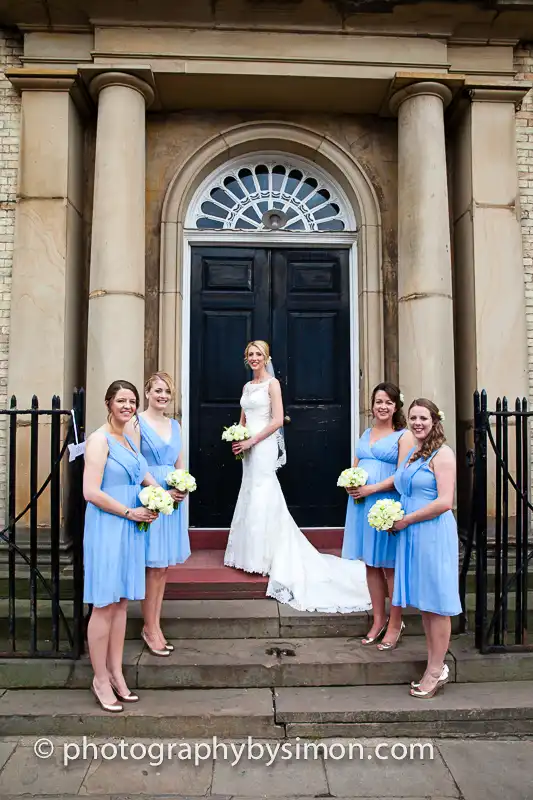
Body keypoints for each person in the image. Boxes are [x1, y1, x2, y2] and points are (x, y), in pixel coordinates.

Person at [224, 340, 371, 613]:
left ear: (266, 357)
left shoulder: (272, 384)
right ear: (246, 358)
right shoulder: (246, 387)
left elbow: (278, 420)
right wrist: (237, 435)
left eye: (259, 354)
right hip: (248, 446)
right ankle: (250, 553)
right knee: (249, 491)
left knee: (263, 491)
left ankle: (266, 556)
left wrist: (252, 440)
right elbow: (242, 419)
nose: (254, 358)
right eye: (250, 355)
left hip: (263, 445)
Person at [83, 380, 160, 712]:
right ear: (108, 403)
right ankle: (99, 677)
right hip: (109, 526)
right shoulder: (98, 441)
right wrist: (130, 511)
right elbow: (91, 492)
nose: (128, 406)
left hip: (132, 529)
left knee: (120, 603)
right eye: (122, 401)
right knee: (104, 603)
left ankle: (116, 671)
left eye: (132, 401)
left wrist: (166, 495)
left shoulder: (128, 439)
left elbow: (143, 477)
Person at [391, 398, 461, 699]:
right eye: (413, 418)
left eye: (423, 418)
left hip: (431, 532)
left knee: (437, 601)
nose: (417, 423)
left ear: (435, 420)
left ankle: (436, 670)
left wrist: (407, 519)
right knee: (426, 604)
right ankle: (435, 664)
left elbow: (445, 501)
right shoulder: (415, 453)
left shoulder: (443, 454)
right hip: (411, 534)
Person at [342, 383, 414, 649]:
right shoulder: (366, 432)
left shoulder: (403, 436)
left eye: (388, 402)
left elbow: (403, 475)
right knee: (371, 564)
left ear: (396, 407)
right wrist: (351, 483)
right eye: (378, 401)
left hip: (386, 504)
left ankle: (396, 623)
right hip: (361, 504)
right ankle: (378, 620)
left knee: (389, 566)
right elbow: (357, 464)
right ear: (372, 405)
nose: (382, 406)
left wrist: (372, 487)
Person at [128, 372, 191, 657]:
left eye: (167, 391)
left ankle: (154, 623)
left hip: (173, 500)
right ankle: (150, 626)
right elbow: (135, 465)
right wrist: (160, 492)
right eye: (157, 390)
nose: (162, 395)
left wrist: (182, 487)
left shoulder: (175, 425)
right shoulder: (136, 423)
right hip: (150, 495)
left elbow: (180, 464)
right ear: (148, 392)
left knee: (163, 567)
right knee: (152, 566)